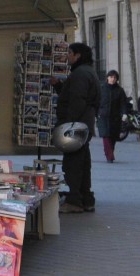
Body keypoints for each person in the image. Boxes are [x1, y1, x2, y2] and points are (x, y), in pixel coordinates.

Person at [50, 42, 101, 213]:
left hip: (76, 127)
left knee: (73, 164)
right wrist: (59, 86)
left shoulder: (80, 74)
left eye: (70, 53)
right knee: (83, 162)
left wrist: (68, 125)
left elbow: (77, 100)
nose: (67, 56)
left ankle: (75, 200)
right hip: (84, 125)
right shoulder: (88, 72)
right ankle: (85, 198)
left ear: (78, 55)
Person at [97, 70, 128, 163]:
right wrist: (96, 113)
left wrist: (124, 113)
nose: (112, 79)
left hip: (115, 117)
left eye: (114, 77)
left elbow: (123, 103)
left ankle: (109, 153)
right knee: (105, 136)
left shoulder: (120, 90)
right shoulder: (101, 88)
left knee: (113, 137)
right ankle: (110, 156)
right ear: (107, 78)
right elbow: (96, 102)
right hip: (103, 116)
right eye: (111, 77)